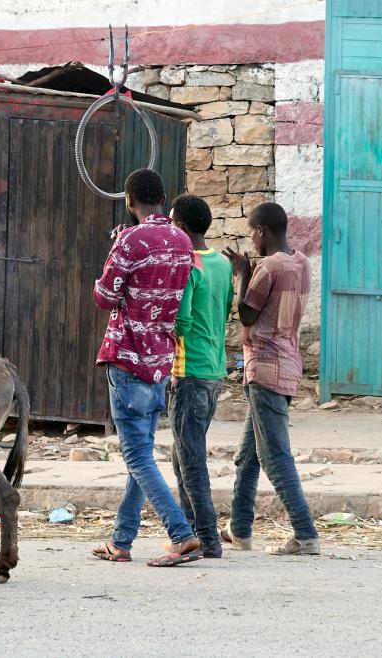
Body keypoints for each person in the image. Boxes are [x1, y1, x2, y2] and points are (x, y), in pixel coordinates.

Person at [90, 168, 202, 567]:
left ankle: (182, 534)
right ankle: (121, 541)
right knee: (142, 454)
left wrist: (116, 249)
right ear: (163, 197)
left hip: (127, 358)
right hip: (160, 361)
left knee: (137, 456)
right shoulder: (182, 241)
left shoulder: (130, 239)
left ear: (129, 201)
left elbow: (104, 296)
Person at [220, 202, 320, 556]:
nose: (251, 238)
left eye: (251, 231)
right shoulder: (301, 263)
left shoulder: (269, 266)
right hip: (287, 364)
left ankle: (305, 534)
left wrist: (242, 273)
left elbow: (246, 314)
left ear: (261, 231)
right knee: (247, 458)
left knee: (275, 456)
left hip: (264, 367)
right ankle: (240, 529)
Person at [168, 194, 234, 559]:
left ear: (180, 226)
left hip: (189, 371)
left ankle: (205, 538)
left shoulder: (188, 265)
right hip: (214, 369)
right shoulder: (223, 265)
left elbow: (181, 321)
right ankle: (192, 531)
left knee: (190, 459)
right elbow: (224, 311)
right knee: (183, 455)